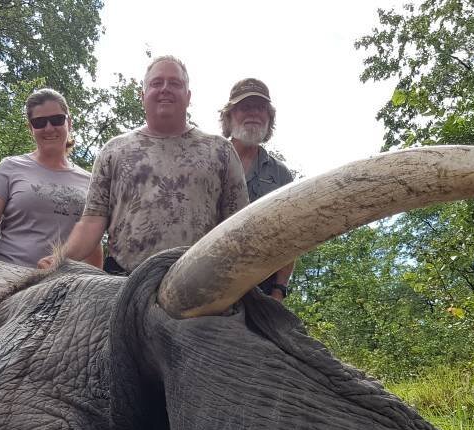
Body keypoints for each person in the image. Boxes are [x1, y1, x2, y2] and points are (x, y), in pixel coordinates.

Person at [48, 55, 248, 273]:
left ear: (188, 96)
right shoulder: (113, 151)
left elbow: (239, 228)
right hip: (124, 281)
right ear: (142, 95)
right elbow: (91, 223)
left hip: (198, 284)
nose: (165, 88)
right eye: (156, 83)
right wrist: (59, 259)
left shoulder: (220, 151)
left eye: (175, 83)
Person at [0, 88, 99, 267]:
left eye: (57, 120)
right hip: (8, 276)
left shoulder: (91, 181)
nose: (49, 128)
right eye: (39, 122)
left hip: (63, 285)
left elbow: (93, 240)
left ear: (69, 123)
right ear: (30, 128)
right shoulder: (10, 167)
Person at [220, 77, 295, 301]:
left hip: (261, 289)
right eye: (245, 107)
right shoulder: (208, 159)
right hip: (208, 282)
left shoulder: (280, 174)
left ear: (269, 117)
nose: (253, 113)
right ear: (229, 116)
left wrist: (279, 290)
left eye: (260, 108)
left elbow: (289, 236)